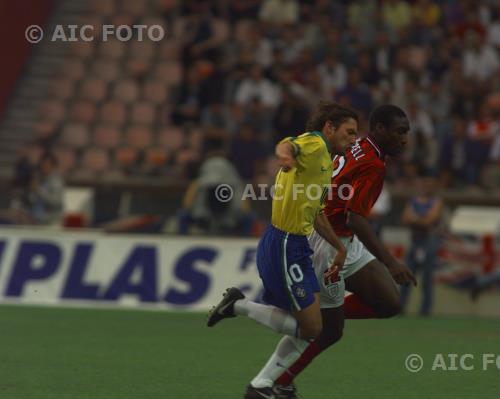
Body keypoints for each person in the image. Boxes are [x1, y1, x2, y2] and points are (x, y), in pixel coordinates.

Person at [206, 102, 359, 399]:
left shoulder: (324, 159)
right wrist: (285, 155)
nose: (354, 139)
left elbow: (314, 212)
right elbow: (287, 144)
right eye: (349, 132)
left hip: (296, 244)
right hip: (285, 244)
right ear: (330, 127)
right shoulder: (314, 144)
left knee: (313, 327)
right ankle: (239, 309)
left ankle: (264, 385)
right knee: (314, 329)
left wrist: (338, 247)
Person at [270, 104, 417, 398]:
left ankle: (316, 317)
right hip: (328, 241)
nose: (405, 139)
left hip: (343, 237)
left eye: (407, 133)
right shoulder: (373, 165)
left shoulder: (359, 145)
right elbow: (356, 218)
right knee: (331, 331)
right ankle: (281, 380)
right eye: (400, 132)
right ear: (379, 129)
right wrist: (391, 263)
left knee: (389, 304)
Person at [400, 173, 444, 316]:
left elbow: (430, 220)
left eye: (430, 184)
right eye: (425, 183)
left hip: (428, 242)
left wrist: (415, 219)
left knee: (427, 278)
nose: (427, 187)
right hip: (415, 241)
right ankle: (401, 307)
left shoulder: (436, 201)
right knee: (406, 276)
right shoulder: (414, 200)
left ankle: (425, 310)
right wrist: (422, 220)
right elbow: (405, 218)